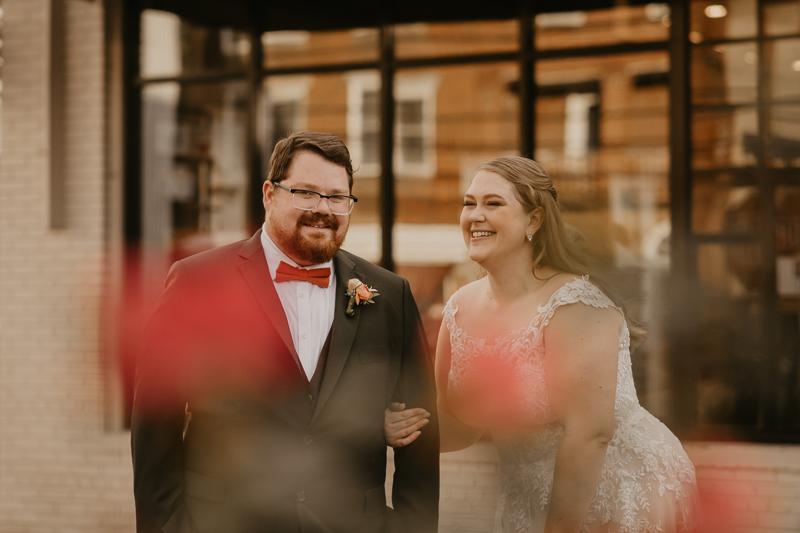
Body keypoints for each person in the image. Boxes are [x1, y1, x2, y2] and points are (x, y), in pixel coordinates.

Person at [131, 131, 439, 533]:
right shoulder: (198, 281)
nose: (322, 209)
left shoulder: (390, 294)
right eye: (305, 193)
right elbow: (156, 423)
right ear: (268, 195)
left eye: (336, 197)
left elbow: (419, 432)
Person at [384, 156, 696, 533]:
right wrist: (392, 428)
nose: (475, 215)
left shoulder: (573, 303)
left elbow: (590, 435)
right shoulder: (459, 308)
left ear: (534, 220)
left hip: (614, 488)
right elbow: (459, 423)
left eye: (493, 203)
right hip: (525, 495)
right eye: (469, 203)